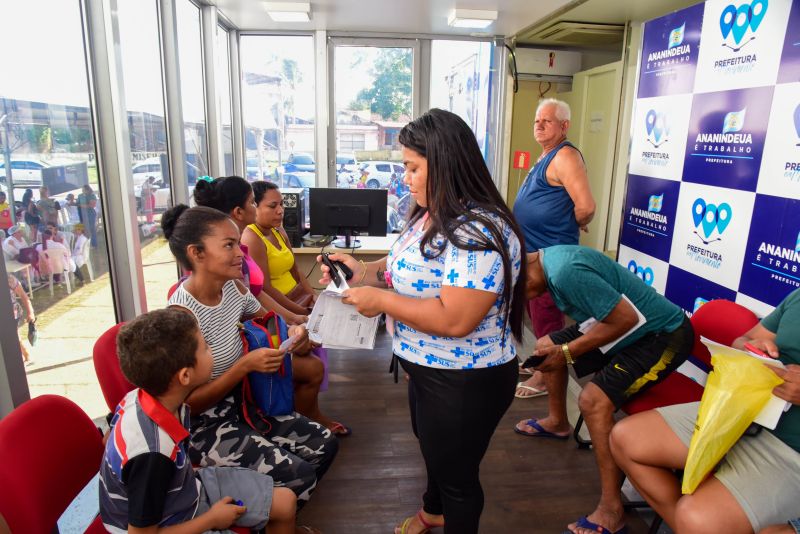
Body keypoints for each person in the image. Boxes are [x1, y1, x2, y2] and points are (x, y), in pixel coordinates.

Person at [318, 109, 527, 534]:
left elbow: (455, 319)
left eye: (413, 167)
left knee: (458, 479)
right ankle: (432, 513)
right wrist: (362, 271)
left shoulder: (477, 231)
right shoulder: (432, 214)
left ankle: (446, 514)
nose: (406, 178)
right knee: (436, 454)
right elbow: (405, 265)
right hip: (427, 365)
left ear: (446, 164)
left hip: (465, 379)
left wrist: (382, 300)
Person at [162, 204, 337, 520]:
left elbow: (271, 322)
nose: (240, 252)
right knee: (298, 473)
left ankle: (274, 518)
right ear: (197, 254)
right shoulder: (182, 317)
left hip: (245, 405)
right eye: (229, 245)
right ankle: (276, 519)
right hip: (205, 426)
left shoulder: (232, 288)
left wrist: (294, 332)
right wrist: (243, 366)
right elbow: (188, 406)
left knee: (325, 444)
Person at [518, 245, 694, 534]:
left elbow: (626, 319)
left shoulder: (564, 272)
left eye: (519, 292)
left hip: (661, 335)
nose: (527, 299)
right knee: (545, 346)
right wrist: (562, 350)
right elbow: (613, 317)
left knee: (593, 401)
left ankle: (612, 510)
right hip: (625, 326)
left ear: (524, 272)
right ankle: (557, 422)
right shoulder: (550, 262)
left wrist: (568, 351)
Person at [609, 288, 800, 534]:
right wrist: (752, 347)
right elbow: (743, 340)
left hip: (788, 452)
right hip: (740, 413)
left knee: (697, 519)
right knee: (625, 438)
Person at [100, 308, 298, 534]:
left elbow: (111, 440)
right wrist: (212, 519)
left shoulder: (140, 396)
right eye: (205, 347)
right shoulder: (152, 455)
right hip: (166, 522)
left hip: (183, 488)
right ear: (185, 376)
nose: (211, 350)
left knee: (285, 502)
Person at [194, 176, 341, 435]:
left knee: (309, 346)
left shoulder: (233, 279)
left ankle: (301, 415)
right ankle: (298, 419)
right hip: (248, 352)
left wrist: (296, 319)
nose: (280, 211)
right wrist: (295, 318)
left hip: (263, 331)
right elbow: (262, 295)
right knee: (310, 364)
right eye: (258, 203)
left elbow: (257, 302)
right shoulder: (201, 295)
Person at [241, 180, 346, 436]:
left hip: (297, 299)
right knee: (308, 359)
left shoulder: (278, 231)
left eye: (281, 205)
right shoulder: (252, 238)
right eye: (273, 206)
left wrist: (312, 297)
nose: (280, 211)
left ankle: (309, 412)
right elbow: (265, 289)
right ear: (254, 207)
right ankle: (306, 417)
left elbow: (295, 269)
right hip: (281, 304)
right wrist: (299, 312)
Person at [512, 98, 596, 400]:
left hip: (551, 257)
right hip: (535, 255)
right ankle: (541, 364)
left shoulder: (565, 155)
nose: (539, 124)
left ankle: (545, 376)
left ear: (565, 126)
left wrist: (570, 220)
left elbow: (585, 207)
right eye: (537, 119)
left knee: (548, 320)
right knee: (537, 316)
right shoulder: (547, 155)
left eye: (547, 120)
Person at [7, 274, 35, 366]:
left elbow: (23, 296)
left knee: (14, 336)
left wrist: (30, 313)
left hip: (12, 313)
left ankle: (26, 356)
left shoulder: (9, 278)